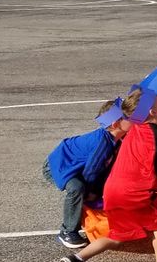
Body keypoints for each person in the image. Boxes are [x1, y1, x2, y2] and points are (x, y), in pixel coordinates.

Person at [61, 86, 157, 262]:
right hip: (134, 193)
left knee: (117, 237)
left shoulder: (134, 129)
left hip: (113, 192)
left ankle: (76, 258)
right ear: (152, 111)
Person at [45, 96, 136, 249]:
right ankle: (67, 231)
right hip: (58, 166)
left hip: (74, 165)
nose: (134, 120)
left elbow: (105, 168)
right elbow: (91, 171)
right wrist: (91, 192)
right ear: (115, 124)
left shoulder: (116, 138)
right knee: (78, 188)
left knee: (92, 186)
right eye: (129, 118)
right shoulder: (102, 143)